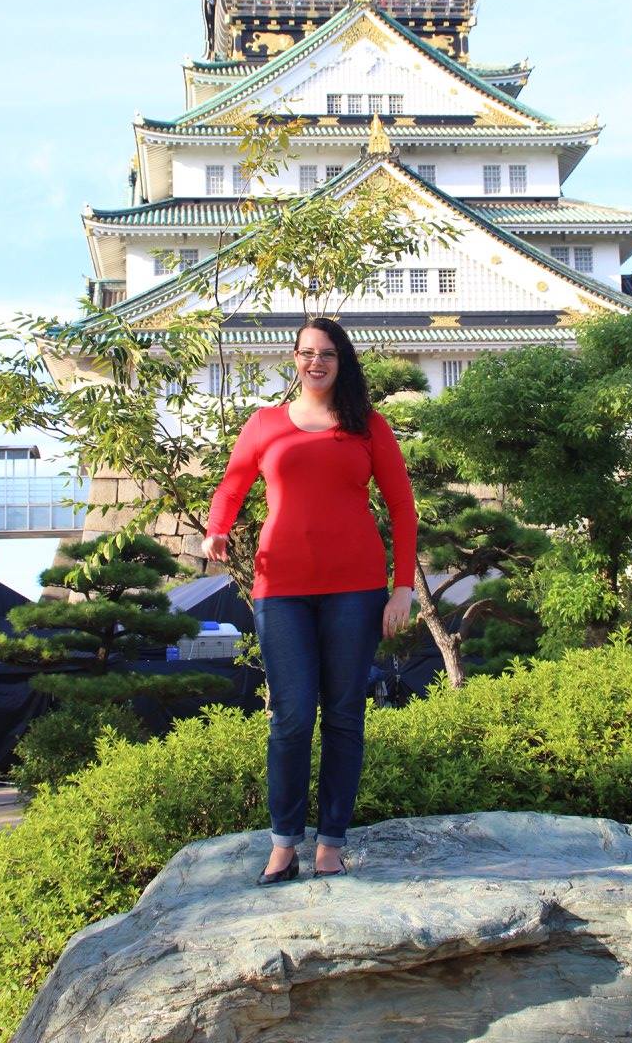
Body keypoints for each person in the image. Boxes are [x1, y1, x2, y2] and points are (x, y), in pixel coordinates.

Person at [203, 318, 417, 884]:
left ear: (341, 360)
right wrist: (218, 528)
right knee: (291, 716)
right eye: (305, 353)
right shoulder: (265, 423)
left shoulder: (368, 426)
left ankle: (331, 843)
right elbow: (232, 483)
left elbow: (402, 508)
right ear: (293, 360)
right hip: (282, 589)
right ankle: (282, 844)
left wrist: (403, 589)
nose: (315, 362)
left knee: (344, 715)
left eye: (326, 353)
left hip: (356, 588)